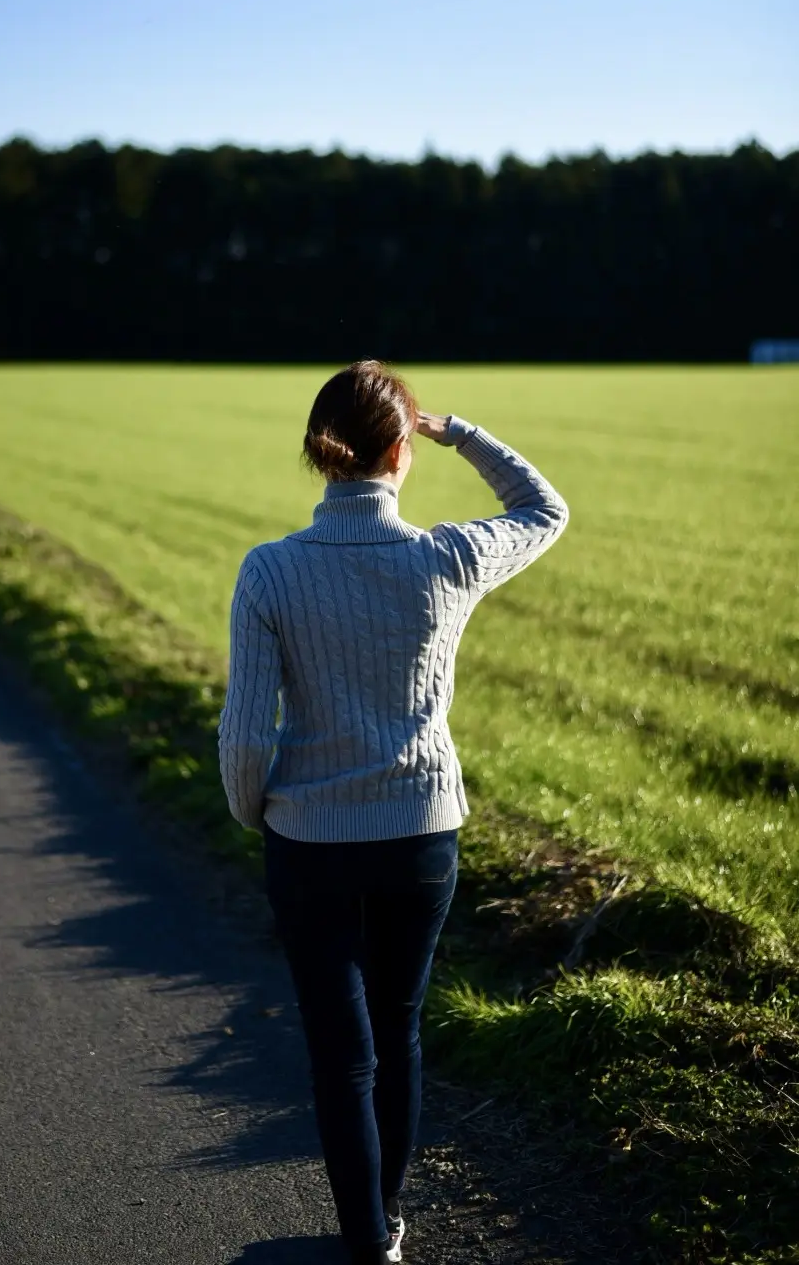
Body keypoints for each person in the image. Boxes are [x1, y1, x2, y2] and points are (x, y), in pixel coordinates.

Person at [217, 359, 569, 1264]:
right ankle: (391, 1222)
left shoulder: (269, 573)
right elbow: (545, 510)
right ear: (400, 450)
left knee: (342, 1053)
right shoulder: (446, 556)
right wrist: (463, 432)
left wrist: (260, 816)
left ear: (318, 453)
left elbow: (246, 735)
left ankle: (367, 1238)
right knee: (400, 1029)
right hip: (422, 834)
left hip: (311, 843)